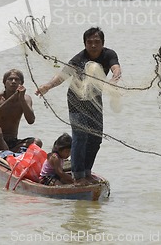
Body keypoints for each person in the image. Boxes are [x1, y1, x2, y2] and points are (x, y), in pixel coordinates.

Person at [36, 27, 121, 185]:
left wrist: (115, 78)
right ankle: (78, 175)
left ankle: (87, 172)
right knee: (80, 136)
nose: (93, 45)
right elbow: (61, 76)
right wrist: (47, 86)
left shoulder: (109, 54)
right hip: (76, 101)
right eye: (89, 42)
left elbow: (116, 67)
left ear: (103, 43)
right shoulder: (78, 59)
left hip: (95, 100)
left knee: (96, 138)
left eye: (97, 42)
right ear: (84, 44)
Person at [0, 69, 41, 154]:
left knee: (37, 142)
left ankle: (11, 153)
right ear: (4, 82)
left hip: (12, 142)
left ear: (21, 83)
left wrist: (21, 99)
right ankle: (9, 155)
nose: (13, 82)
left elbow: (31, 120)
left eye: (16, 79)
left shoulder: (25, 99)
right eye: (10, 79)